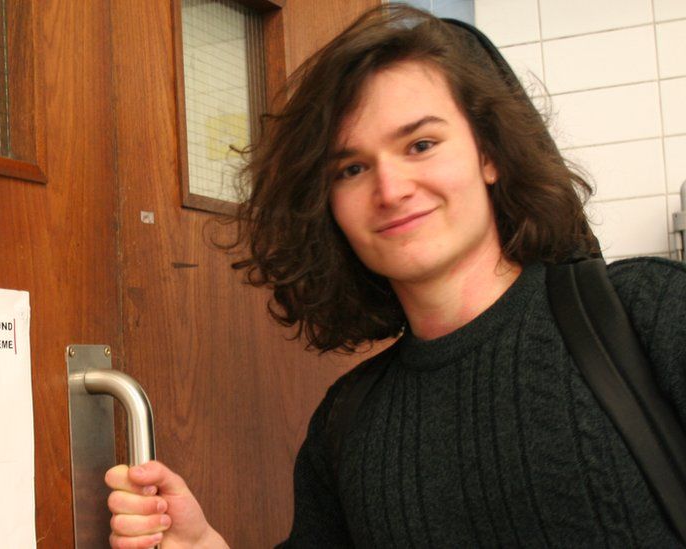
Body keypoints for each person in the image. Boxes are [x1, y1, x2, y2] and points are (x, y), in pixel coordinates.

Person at [106, 5, 686, 548]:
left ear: (490, 156)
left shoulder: (650, 311)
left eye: (421, 144)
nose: (390, 189)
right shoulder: (346, 423)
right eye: (352, 168)